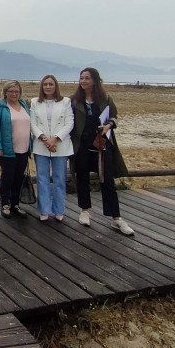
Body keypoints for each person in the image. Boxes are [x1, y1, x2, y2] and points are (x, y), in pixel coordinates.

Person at [71, 67, 134, 235]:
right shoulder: (74, 100)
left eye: (87, 78)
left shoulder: (105, 98)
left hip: (102, 145)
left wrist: (109, 126)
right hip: (82, 146)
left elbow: (114, 117)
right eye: (81, 78)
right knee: (82, 177)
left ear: (95, 80)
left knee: (107, 181)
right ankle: (85, 211)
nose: (83, 81)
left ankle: (116, 218)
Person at [30, 75, 74, 221]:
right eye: (45, 84)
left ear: (56, 86)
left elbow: (69, 123)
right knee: (42, 179)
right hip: (41, 145)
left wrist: (55, 139)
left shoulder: (65, 101)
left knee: (59, 179)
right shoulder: (35, 102)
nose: (48, 87)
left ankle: (59, 210)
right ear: (42, 87)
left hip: (60, 145)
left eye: (51, 84)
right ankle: (44, 210)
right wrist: (44, 139)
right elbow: (33, 123)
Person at [0, 81, 32, 219]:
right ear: (5, 92)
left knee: (18, 178)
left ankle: (15, 204)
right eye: (11, 91)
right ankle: (5, 204)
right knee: (7, 177)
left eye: (16, 91)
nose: (14, 94)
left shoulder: (24, 105)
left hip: (24, 148)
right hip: (8, 149)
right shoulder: (1, 107)